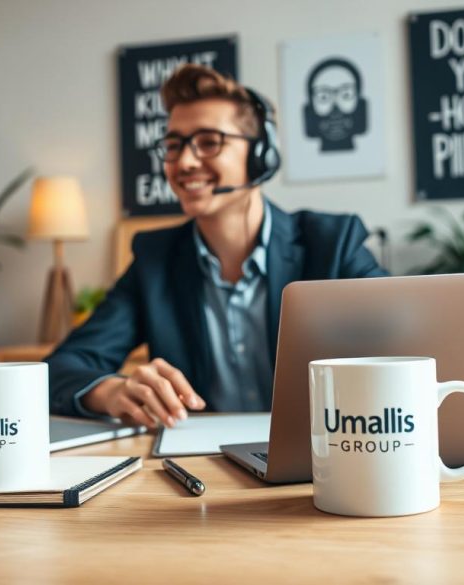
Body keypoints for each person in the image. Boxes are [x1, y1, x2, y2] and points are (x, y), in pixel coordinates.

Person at [47, 64, 385, 428]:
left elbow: (410, 348)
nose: (185, 162)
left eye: (209, 142)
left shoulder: (332, 244)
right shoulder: (155, 260)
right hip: (205, 468)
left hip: (323, 455)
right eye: (174, 146)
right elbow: (58, 369)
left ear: (261, 156)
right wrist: (110, 392)